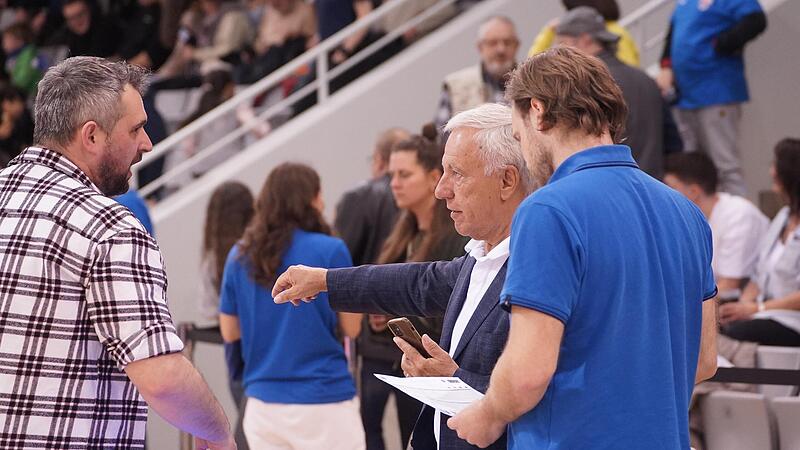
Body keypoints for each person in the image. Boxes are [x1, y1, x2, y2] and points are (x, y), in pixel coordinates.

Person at [447, 46, 718, 449]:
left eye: (519, 136)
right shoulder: (686, 212)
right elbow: (703, 360)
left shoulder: (547, 210)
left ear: (537, 110)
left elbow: (526, 374)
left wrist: (487, 415)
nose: (523, 152)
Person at [0, 56, 234, 449]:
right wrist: (219, 434)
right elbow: (162, 378)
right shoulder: (110, 227)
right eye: (137, 129)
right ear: (91, 136)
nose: (147, 143)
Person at [273, 102, 532, 450]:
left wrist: (453, 380)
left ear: (506, 180)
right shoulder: (480, 256)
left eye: (457, 173)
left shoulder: (535, 269)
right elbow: (416, 283)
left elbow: (542, 400)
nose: (442, 190)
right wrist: (324, 280)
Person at [218, 163, 365, 449]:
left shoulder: (240, 254)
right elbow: (352, 327)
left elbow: (229, 332)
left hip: (262, 405)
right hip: (324, 400)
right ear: (311, 199)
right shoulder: (331, 249)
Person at [357, 132, 468, 450]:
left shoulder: (454, 239)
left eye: (404, 175)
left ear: (434, 177)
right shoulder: (401, 232)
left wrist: (399, 315)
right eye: (391, 175)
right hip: (389, 359)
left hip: (434, 370)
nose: (394, 183)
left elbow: (449, 308)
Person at [553, 6, 680, 178]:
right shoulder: (645, 79)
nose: (558, 53)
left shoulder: (584, 84)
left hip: (607, 188)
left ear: (584, 40)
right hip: (650, 187)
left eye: (562, 43)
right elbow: (673, 142)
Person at [657, 0, 767, 196]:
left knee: (724, 165)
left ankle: (736, 222)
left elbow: (756, 20)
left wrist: (722, 44)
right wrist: (666, 66)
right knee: (689, 168)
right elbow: (673, 34)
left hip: (716, 91)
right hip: (685, 94)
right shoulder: (685, 3)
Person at [719, 138, 800, 347]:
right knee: (715, 321)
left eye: (776, 165)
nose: (771, 171)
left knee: (737, 332)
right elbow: (757, 276)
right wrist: (741, 306)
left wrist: (757, 309)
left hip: (790, 319)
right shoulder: (782, 217)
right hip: (765, 312)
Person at [664, 152, 768, 297]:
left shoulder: (738, 214)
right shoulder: (683, 220)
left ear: (694, 191)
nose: (664, 194)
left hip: (742, 302)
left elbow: (729, 284)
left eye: (670, 188)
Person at [334, 127, 409, 266]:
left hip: (361, 283)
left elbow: (340, 256)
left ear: (379, 159)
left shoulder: (356, 196)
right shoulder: (418, 196)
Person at [434, 16, 519, 132]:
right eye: (493, 43)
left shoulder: (532, 82)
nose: (501, 49)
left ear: (517, 46)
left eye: (507, 42)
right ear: (480, 47)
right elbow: (442, 135)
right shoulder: (454, 85)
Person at [528, 0, 639, 66]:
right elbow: (533, 63)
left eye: (571, 10)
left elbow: (628, 66)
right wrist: (549, 31)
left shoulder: (613, 31)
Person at [47, 0, 122, 58]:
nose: (77, 21)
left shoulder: (107, 29)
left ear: (89, 10)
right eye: (71, 18)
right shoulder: (67, 38)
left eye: (80, 15)